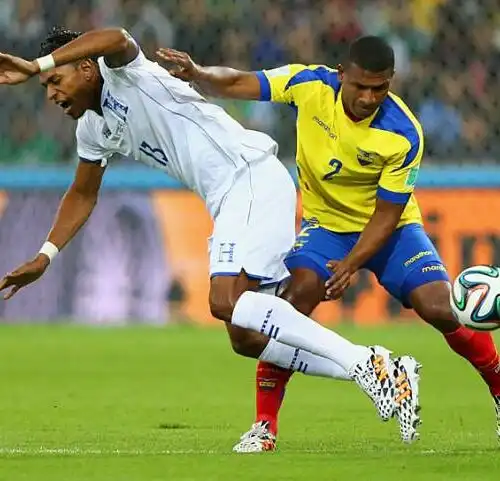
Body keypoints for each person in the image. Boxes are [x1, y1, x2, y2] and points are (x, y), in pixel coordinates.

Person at [0, 27, 420, 446]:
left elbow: (115, 35)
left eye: (56, 80)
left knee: (226, 301)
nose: (51, 94)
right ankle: (382, 369)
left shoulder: (124, 72)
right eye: (46, 86)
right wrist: (46, 255)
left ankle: (366, 363)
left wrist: (37, 64)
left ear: (87, 68)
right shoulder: (92, 129)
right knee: (245, 336)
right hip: (229, 197)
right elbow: (83, 192)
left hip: (248, 175)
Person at [157, 35, 500, 453]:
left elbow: (387, 214)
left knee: (441, 307)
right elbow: (241, 82)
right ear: (343, 76)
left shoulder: (403, 133)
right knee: (290, 302)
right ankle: (265, 426)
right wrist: (199, 74)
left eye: (380, 88)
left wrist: (352, 264)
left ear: (391, 82)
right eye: (361, 86)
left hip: (391, 230)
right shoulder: (310, 85)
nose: (369, 97)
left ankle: (499, 389)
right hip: (325, 227)